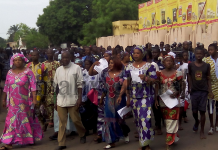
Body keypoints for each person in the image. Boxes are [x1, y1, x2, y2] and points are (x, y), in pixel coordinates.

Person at [0, 54, 43, 150]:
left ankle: (28, 139)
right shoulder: (9, 72)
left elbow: (33, 86)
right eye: (16, 60)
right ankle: (9, 142)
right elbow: (6, 87)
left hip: (25, 102)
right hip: (12, 102)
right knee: (12, 120)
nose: (18, 62)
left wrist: (35, 99)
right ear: (13, 62)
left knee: (25, 119)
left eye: (19, 60)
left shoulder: (28, 72)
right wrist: (3, 99)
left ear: (23, 61)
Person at [125, 45, 157, 150]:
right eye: (134, 53)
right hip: (134, 97)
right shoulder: (128, 67)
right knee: (138, 121)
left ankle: (146, 144)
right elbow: (127, 83)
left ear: (142, 54)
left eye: (138, 53)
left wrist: (146, 78)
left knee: (145, 120)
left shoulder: (149, 66)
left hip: (146, 96)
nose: (135, 55)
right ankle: (142, 142)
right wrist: (128, 97)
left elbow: (155, 80)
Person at [54, 51, 86, 150]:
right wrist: (55, 100)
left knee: (76, 120)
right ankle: (61, 143)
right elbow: (56, 86)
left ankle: (82, 133)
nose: (65, 60)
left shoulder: (76, 68)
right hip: (61, 100)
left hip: (73, 99)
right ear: (61, 59)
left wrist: (80, 98)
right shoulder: (58, 70)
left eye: (67, 58)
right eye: (63, 58)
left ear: (70, 58)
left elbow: (80, 84)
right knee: (62, 122)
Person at [100, 57, 130, 149]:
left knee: (120, 120)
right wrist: (101, 99)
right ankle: (111, 141)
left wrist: (126, 97)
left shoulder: (122, 74)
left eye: (112, 63)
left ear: (116, 64)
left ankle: (125, 133)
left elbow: (125, 87)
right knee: (108, 120)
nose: (110, 64)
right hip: (109, 99)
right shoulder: (105, 74)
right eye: (109, 63)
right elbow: (104, 88)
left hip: (119, 99)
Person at [156, 55, 184, 150]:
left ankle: (168, 142)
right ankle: (174, 136)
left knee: (171, 120)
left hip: (174, 100)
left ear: (173, 62)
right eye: (166, 61)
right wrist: (156, 99)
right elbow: (157, 86)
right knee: (167, 121)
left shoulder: (178, 73)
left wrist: (178, 92)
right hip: (163, 100)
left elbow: (181, 85)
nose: (168, 62)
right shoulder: (159, 73)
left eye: (170, 61)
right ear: (163, 63)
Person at [188, 47, 213, 139]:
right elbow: (189, 75)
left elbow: (208, 78)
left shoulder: (206, 66)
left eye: (200, 54)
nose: (199, 55)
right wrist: (190, 86)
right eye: (197, 53)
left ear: (203, 55)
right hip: (194, 91)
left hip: (203, 91)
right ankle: (196, 121)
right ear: (195, 54)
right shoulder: (191, 65)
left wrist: (210, 90)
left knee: (202, 111)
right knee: (194, 111)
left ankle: (202, 131)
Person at [88, 50, 112, 143]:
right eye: (104, 56)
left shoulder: (114, 68)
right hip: (101, 93)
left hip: (111, 93)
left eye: (107, 56)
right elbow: (90, 73)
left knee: (110, 114)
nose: (105, 58)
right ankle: (100, 134)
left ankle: (111, 133)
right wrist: (93, 64)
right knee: (101, 114)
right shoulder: (101, 68)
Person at [26, 50, 48, 131]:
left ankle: (42, 121)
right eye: (33, 55)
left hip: (39, 90)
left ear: (38, 56)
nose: (34, 57)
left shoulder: (43, 66)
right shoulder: (27, 66)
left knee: (36, 107)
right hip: (29, 90)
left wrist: (45, 93)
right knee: (30, 108)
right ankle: (35, 124)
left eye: (36, 55)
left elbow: (46, 81)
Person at [42, 49, 60, 128]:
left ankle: (56, 119)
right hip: (47, 85)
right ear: (46, 54)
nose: (49, 54)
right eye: (48, 53)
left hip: (56, 84)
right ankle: (51, 119)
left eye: (51, 53)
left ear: (53, 54)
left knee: (56, 102)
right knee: (48, 103)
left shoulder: (57, 63)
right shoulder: (43, 64)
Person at [204, 44, 218, 135]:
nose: (210, 51)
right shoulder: (206, 60)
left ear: (216, 50)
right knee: (210, 108)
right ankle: (211, 126)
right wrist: (209, 90)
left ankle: (217, 124)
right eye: (209, 50)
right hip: (211, 86)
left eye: (212, 50)